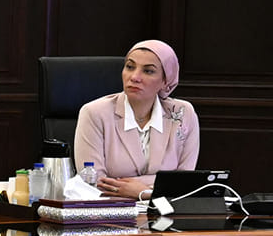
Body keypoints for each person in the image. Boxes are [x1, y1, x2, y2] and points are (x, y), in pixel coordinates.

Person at [73, 40, 200, 201]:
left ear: (165, 81)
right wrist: (157, 187)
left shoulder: (182, 113)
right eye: (130, 67)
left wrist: (141, 191)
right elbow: (93, 181)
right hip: (111, 211)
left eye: (148, 71)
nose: (134, 77)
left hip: (166, 211)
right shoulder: (94, 113)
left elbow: (185, 183)